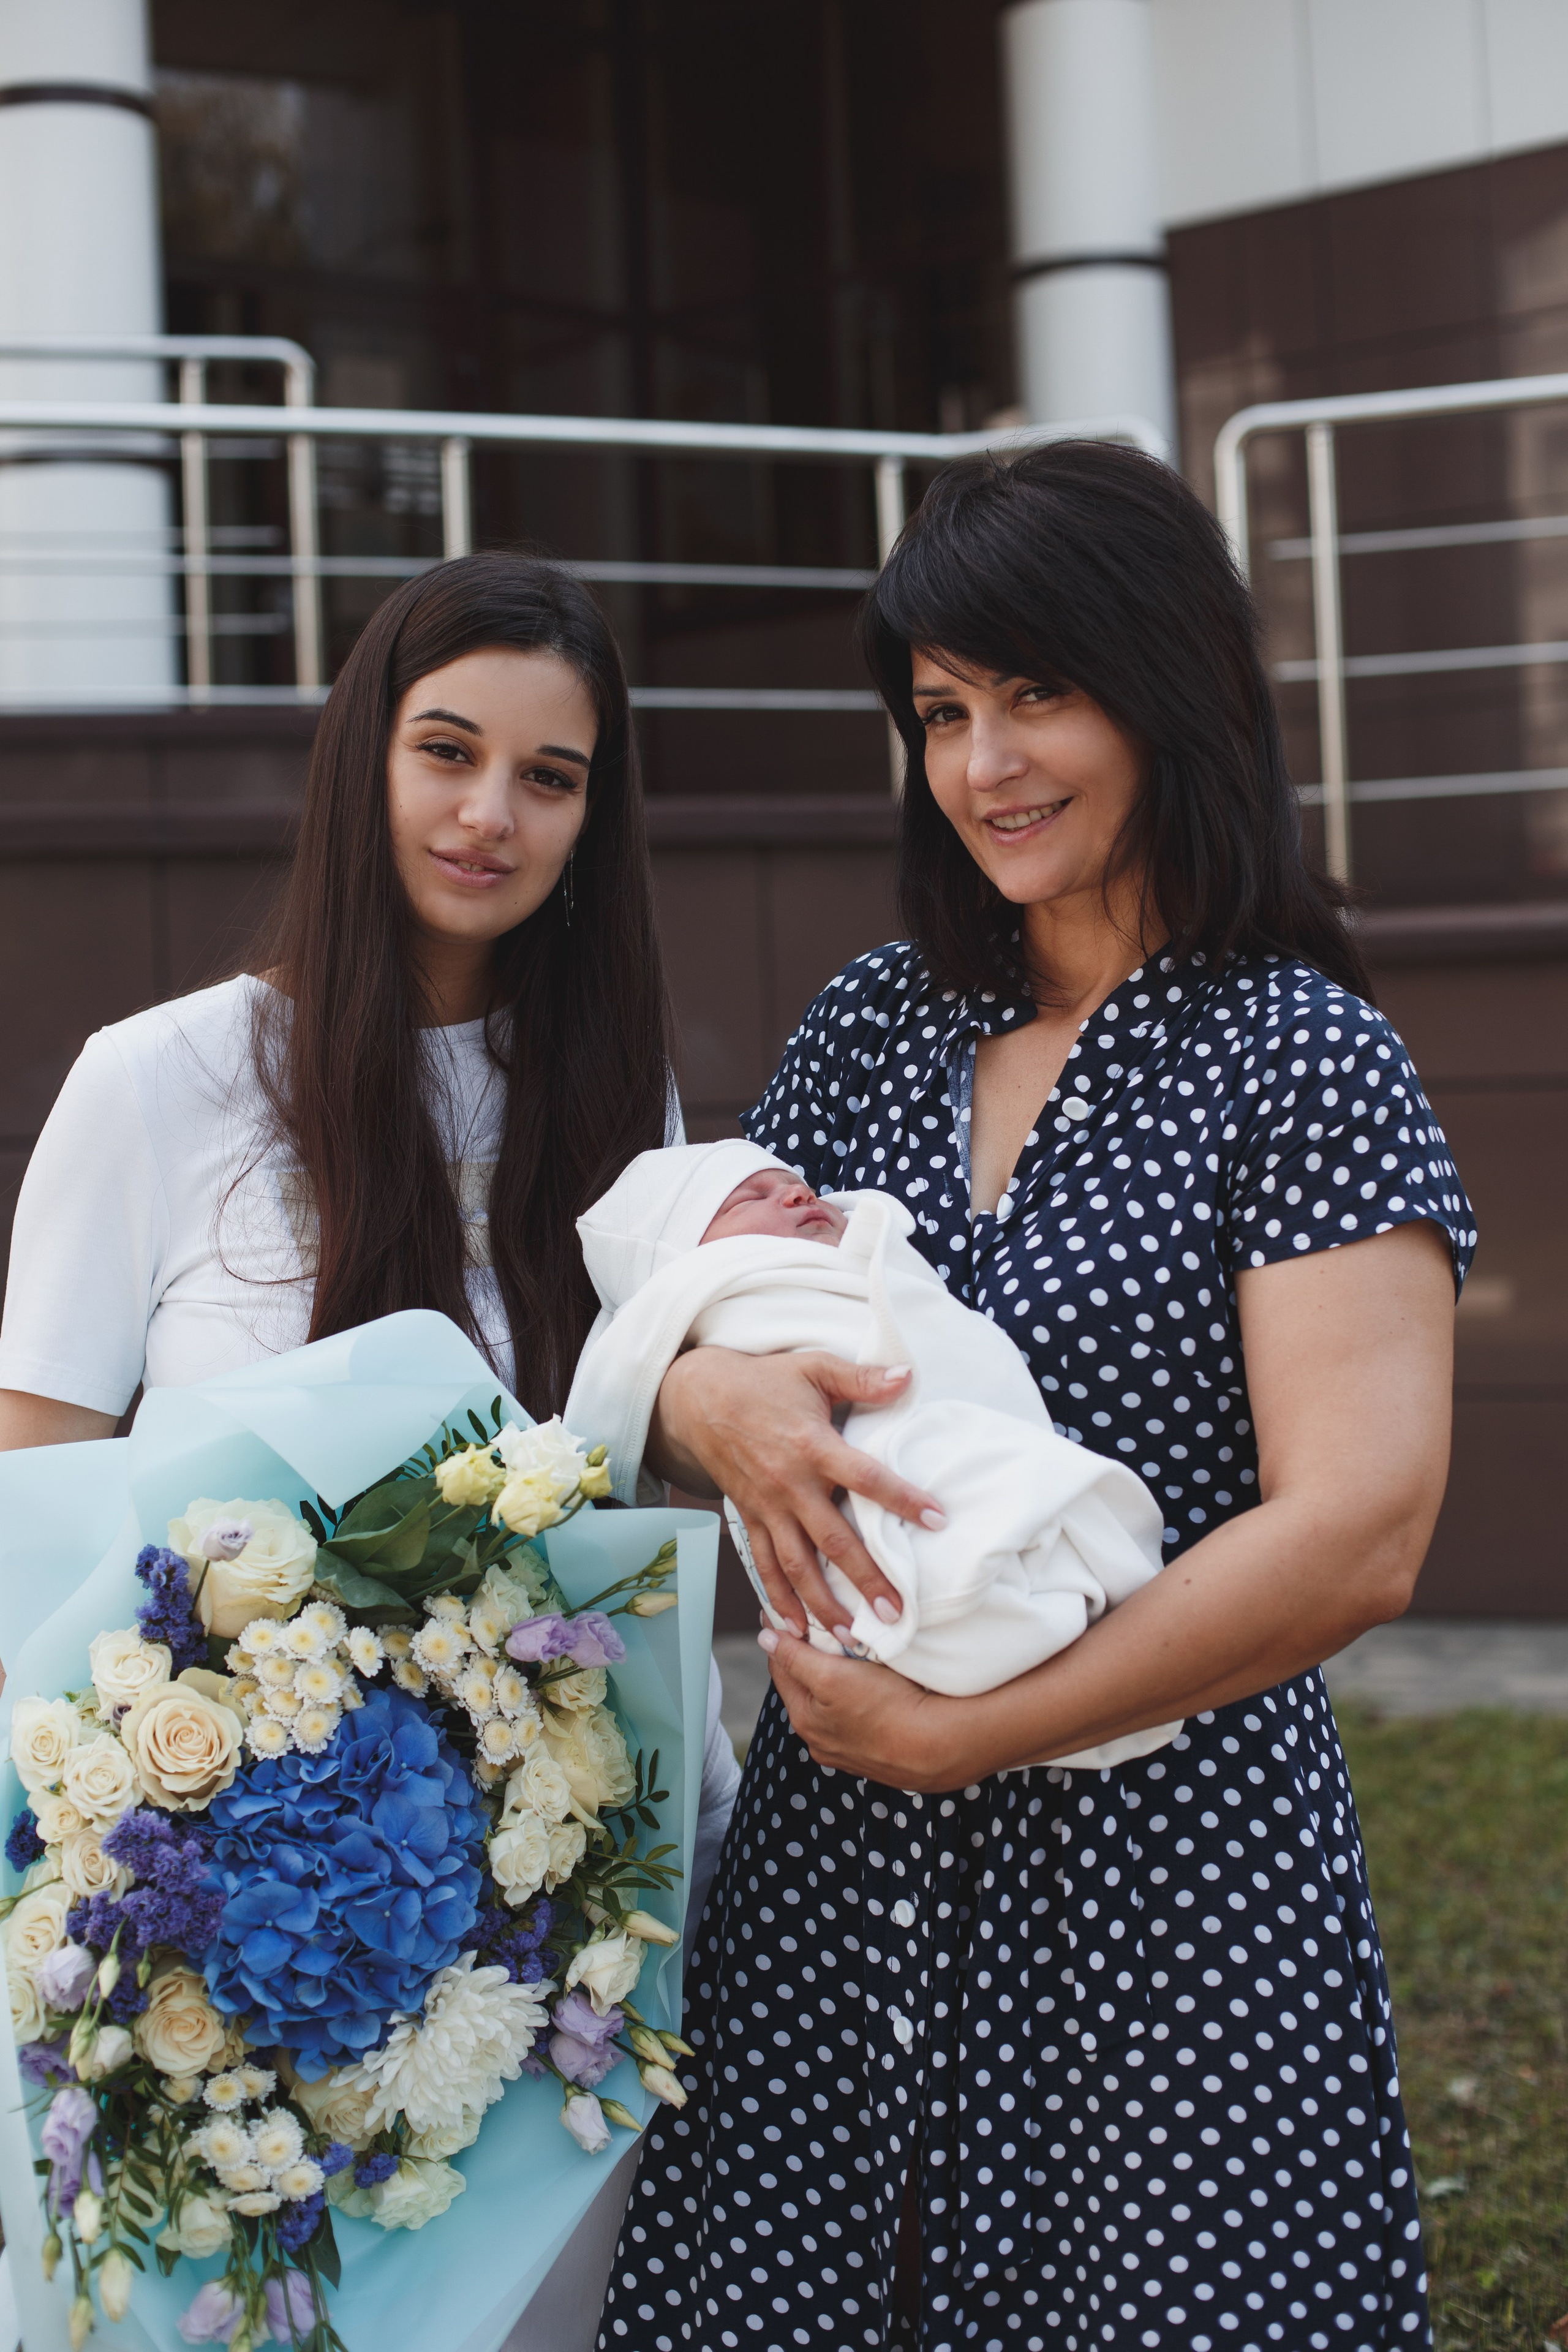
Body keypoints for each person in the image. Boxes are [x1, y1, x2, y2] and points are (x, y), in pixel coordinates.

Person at [599, 442, 1472, 2352]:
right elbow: (701, 1298)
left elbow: (1360, 1530)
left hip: (1173, 1885)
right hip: (841, 1889)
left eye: (1036, 693)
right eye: (939, 712)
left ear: (1170, 686)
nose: (984, 762)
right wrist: (704, 1387)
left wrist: (978, 1734)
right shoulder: (875, 1018)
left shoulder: (1297, 1059)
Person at [0, 551, 741, 2351]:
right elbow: (35, 1526)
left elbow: (628, 1505)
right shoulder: (161, 1082)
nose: (490, 812)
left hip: (558, 1936)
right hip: (228, 1952)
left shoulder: (612, 1097)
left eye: (549, 776)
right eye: (447, 749)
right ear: (363, 756)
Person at [566, 1137, 1178, 1757]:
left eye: (795, 1184)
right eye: (749, 1198)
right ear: (678, 1259)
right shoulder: (704, 1293)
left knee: (988, 1496)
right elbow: (620, 1380)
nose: (797, 1192)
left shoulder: (868, 1250)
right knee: (918, 1544)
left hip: (965, 1452)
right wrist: (696, 1385)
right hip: (864, 1509)